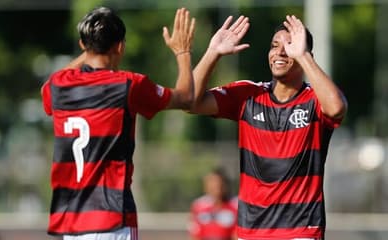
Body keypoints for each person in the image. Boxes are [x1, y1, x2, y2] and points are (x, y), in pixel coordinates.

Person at [41, 6, 195, 240]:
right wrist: (182, 52)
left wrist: (92, 43)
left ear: (83, 45)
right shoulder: (128, 85)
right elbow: (186, 98)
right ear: (120, 46)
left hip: (71, 224)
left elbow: (50, 84)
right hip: (112, 220)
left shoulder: (58, 85)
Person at [189, 15, 348, 240]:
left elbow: (336, 108)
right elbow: (190, 102)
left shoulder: (315, 99)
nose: (280, 53)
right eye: (274, 46)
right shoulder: (248, 95)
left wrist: (302, 56)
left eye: (290, 46)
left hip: (300, 231)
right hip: (251, 231)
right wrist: (212, 53)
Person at [188, 168, 238, 240]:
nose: (216, 187)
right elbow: (195, 235)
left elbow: (236, 235)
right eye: (212, 184)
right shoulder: (198, 206)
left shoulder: (235, 206)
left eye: (219, 184)